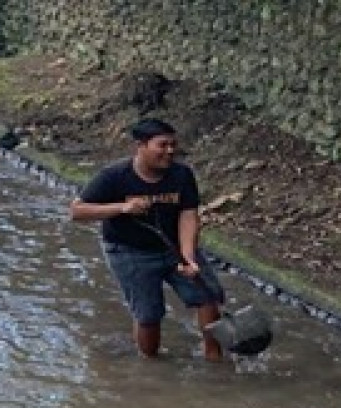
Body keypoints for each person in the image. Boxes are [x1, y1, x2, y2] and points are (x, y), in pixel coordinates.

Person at [68, 118, 224, 360]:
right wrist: (122, 208)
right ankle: (150, 364)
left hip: (173, 247)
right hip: (129, 251)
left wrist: (189, 257)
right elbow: (77, 211)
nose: (169, 151)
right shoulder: (114, 176)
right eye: (162, 145)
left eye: (173, 145)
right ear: (140, 146)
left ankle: (214, 357)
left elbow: (188, 215)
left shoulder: (181, 175)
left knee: (207, 296)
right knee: (149, 314)